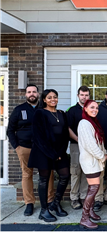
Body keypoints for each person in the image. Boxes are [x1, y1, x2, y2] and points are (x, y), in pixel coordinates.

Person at [7, 84, 54, 216]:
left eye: (34, 92)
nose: (32, 94)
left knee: (48, 174)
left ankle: (50, 201)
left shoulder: (45, 109)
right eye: (29, 92)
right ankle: (29, 203)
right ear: (26, 94)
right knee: (27, 174)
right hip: (25, 148)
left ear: (38, 94)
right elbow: (10, 130)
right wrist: (17, 147)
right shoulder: (19, 110)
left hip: (42, 149)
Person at [28, 89, 70, 222]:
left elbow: (65, 135)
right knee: (44, 180)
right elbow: (38, 137)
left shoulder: (62, 114)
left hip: (60, 152)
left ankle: (55, 203)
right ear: (44, 100)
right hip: (43, 152)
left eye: (55, 97)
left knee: (65, 175)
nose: (53, 99)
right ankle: (44, 210)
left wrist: (60, 152)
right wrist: (52, 153)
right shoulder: (39, 113)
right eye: (50, 97)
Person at [77, 100, 107, 229]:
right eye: (92, 107)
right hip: (90, 161)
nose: (95, 110)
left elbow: (99, 142)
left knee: (93, 188)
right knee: (94, 188)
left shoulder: (92, 122)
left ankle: (89, 211)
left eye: (96, 108)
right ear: (85, 108)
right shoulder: (84, 123)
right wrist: (102, 156)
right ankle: (84, 218)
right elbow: (90, 145)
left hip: (94, 160)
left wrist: (104, 152)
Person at [66, 85, 90, 210]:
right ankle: (74, 198)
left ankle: (83, 196)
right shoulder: (72, 110)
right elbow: (68, 128)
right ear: (78, 95)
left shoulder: (91, 109)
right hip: (76, 145)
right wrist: (78, 139)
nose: (84, 97)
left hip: (89, 147)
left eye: (86, 95)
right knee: (75, 171)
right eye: (82, 95)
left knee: (87, 171)